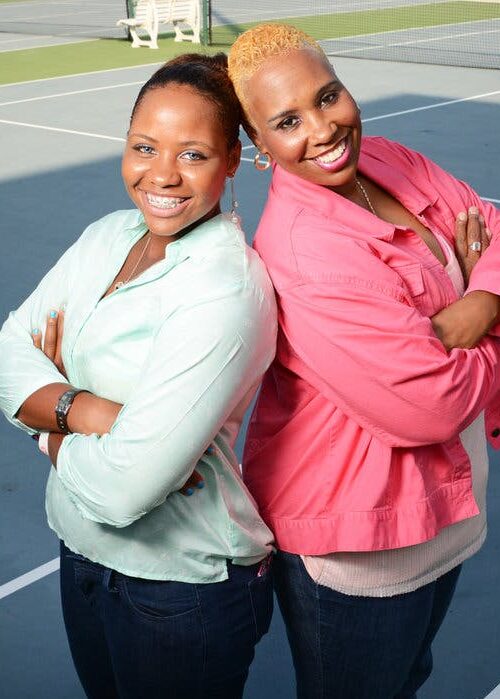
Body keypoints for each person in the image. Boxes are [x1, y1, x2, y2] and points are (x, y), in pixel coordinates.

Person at [228, 24, 500, 699]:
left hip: (448, 514)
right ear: (259, 145)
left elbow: (492, 226)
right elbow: (427, 405)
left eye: (328, 97)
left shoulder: (386, 158)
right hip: (364, 549)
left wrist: (481, 301)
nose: (323, 129)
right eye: (287, 121)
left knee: (411, 677)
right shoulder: (308, 253)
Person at [0, 54, 277, 699]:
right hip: (81, 552)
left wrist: (46, 426)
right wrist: (91, 413)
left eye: (193, 155)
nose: (162, 175)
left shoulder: (225, 289)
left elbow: (128, 489)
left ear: (231, 161)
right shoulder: (104, 237)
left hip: (178, 592)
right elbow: (8, 349)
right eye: (145, 148)